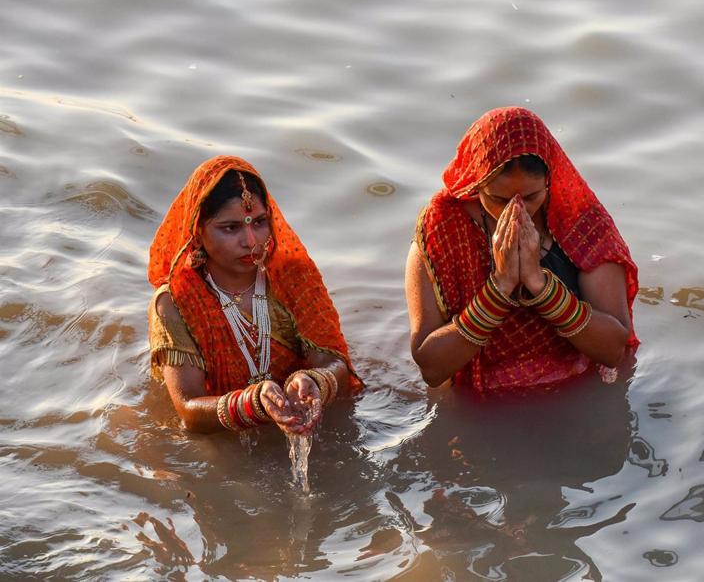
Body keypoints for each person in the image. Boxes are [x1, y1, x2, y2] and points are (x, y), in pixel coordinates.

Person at [405, 107, 638, 394]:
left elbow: (614, 350)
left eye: (531, 196)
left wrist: (539, 286)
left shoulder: (580, 221)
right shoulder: (443, 226)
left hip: (574, 392)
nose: (516, 209)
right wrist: (500, 288)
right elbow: (430, 366)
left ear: (549, 181)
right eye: (498, 199)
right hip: (479, 407)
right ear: (476, 184)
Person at [147, 156, 361, 434]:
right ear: (197, 233)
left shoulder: (292, 277)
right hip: (227, 439)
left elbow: (336, 364)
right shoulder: (176, 301)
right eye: (231, 228)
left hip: (297, 418)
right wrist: (254, 404)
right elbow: (188, 409)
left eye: (259, 222)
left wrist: (315, 381)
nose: (251, 241)